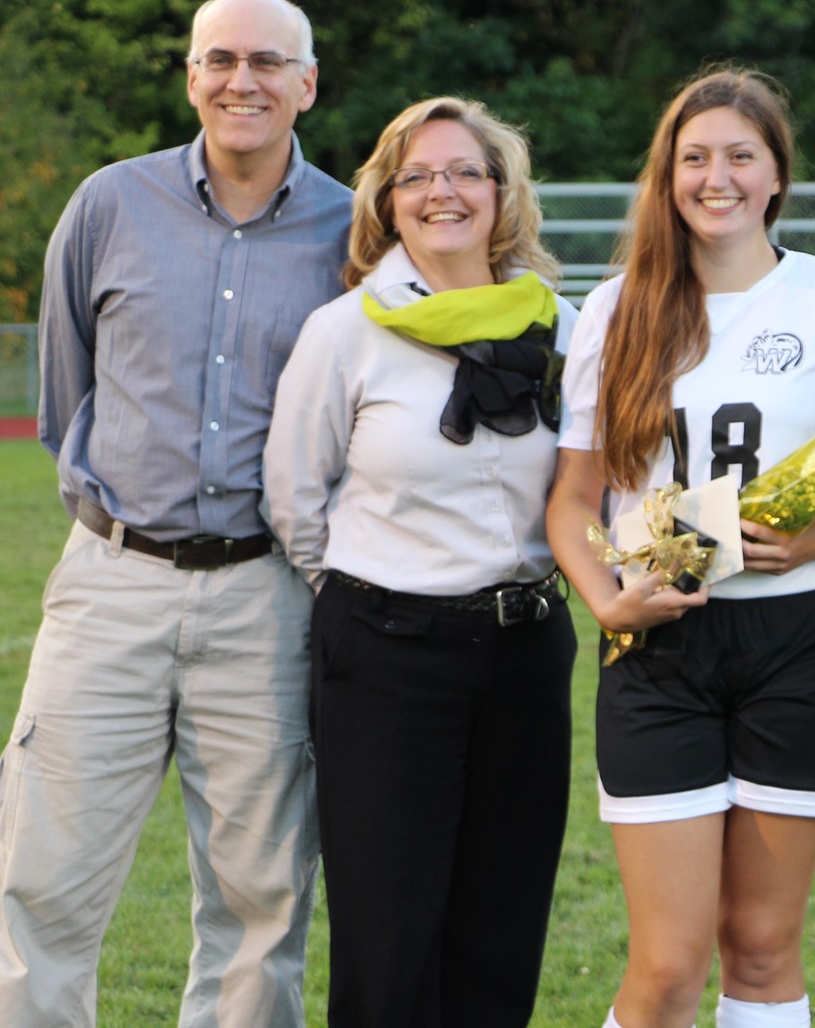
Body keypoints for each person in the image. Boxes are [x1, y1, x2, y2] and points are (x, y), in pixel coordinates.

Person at [0, 0, 351, 1027]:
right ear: (190, 76)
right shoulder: (109, 204)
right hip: (112, 581)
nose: (243, 80)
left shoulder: (353, 230)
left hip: (270, 595)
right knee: (42, 876)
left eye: (269, 62)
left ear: (308, 85)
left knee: (259, 902)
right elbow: (65, 394)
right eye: (220, 59)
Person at [546, 68, 815, 1028]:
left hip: (803, 642)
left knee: (761, 945)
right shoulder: (619, 307)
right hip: (661, 647)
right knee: (666, 965)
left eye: (741, 155)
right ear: (667, 178)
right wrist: (604, 596)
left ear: (777, 174)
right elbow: (576, 498)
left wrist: (814, 535)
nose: (718, 177)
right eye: (694, 157)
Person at [262, 97, 580, 1027]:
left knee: (503, 921)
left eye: (465, 172)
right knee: (389, 933)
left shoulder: (561, 325)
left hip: (525, 649)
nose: (443, 191)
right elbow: (295, 498)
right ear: (388, 203)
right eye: (418, 176)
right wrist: (378, 600)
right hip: (386, 654)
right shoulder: (346, 331)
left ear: (501, 192)